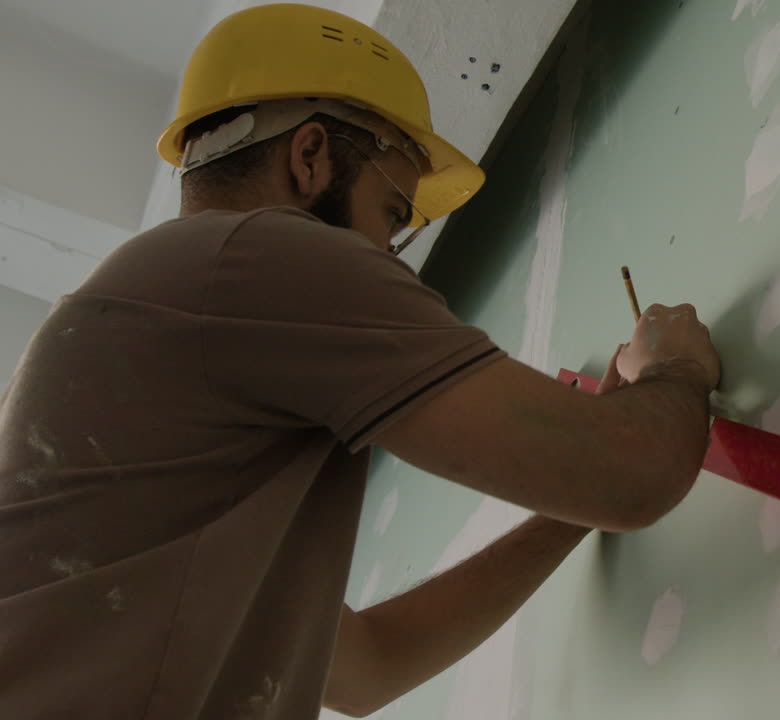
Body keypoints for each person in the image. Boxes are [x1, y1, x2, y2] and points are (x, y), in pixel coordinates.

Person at [0, 5, 719, 718]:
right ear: (309, 157)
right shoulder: (257, 259)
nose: (391, 263)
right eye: (392, 215)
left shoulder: (167, 340)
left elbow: (374, 666)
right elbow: (631, 476)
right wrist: (674, 372)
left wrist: (576, 500)